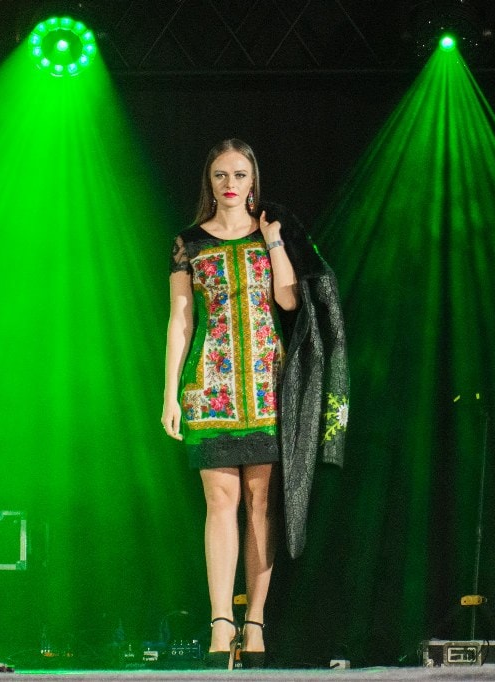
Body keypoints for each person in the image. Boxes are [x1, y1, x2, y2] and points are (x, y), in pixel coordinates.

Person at [162, 139, 348, 669]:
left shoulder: (270, 232)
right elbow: (180, 320)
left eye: (239, 174)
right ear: (210, 181)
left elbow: (288, 299)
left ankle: (256, 621)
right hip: (210, 384)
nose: (230, 184)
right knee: (219, 502)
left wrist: (274, 242)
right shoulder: (189, 243)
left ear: (252, 180)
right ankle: (221, 620)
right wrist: (170, 393)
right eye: (221, 175)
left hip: (268, 384)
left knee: (260, 502)